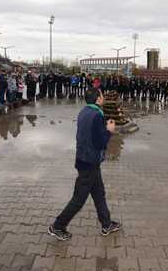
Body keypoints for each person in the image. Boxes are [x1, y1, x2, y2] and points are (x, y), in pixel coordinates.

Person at [48, 88, 122, 241]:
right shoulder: (96, 115)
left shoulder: (84, 112)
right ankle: (57, 226)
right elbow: (99, 142)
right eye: (101, 95)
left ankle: (106, 223)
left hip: (86, 160)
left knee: (99, 193)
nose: (103, 97)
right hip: (89, 162)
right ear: (97, 99)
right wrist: (109, 131)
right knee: (79, 199)